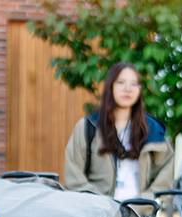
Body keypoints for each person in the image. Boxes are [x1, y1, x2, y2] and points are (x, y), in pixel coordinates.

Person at [64, 62, 174, 201]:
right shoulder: (88, 127)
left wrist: (144, 203)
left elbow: (165, 178)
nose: (128, 89)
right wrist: (101, 204)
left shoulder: (152, 129)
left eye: (134, 84)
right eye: (121, 82)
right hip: (98, 215)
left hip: (139, 215)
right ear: (110, 86)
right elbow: (73, 178)